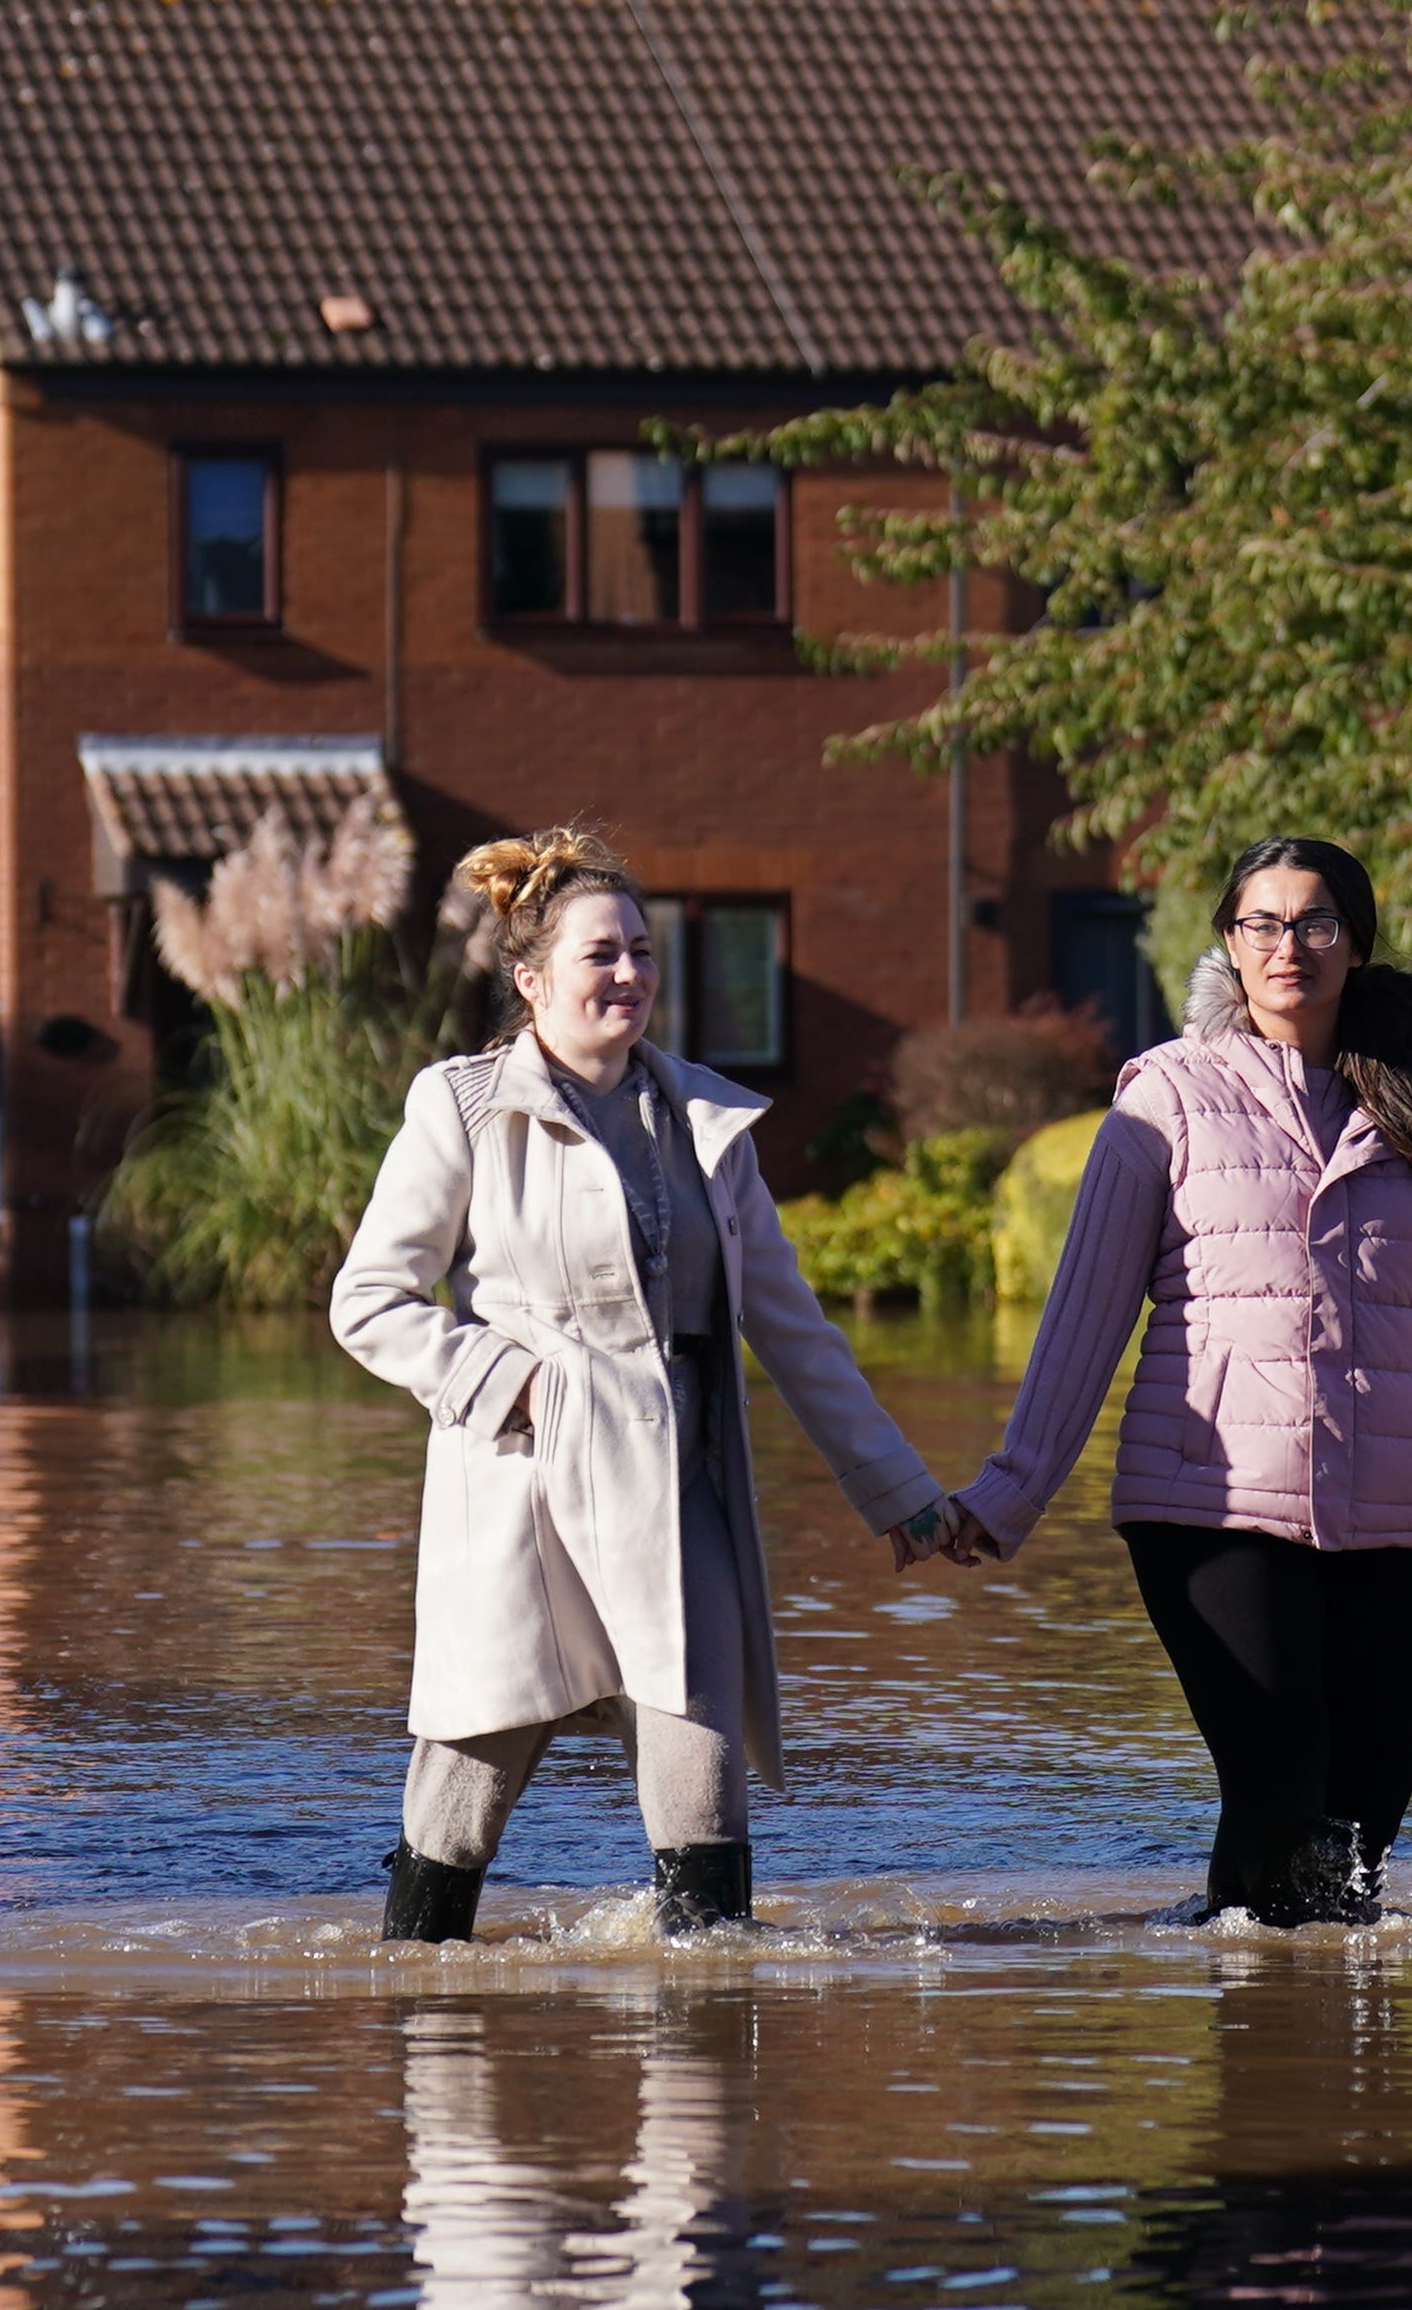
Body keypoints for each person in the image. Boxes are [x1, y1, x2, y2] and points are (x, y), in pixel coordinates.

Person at [333, 823, 961, 1941]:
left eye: (641, 950)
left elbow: (794, 1329)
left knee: (702, 1786)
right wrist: (512, 1383)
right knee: (463, 1790)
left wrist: (899, 1491)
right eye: (598, 953)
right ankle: (421, 2022)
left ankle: (705, 2074)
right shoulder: (461, 1106)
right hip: (520, 1490)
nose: (627, 973)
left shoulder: (710, 1122)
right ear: (529, 980)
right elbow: (367, 1300)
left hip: (679, 1492)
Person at [941, 837, 1412, 1926]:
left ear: (1354, 944)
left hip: (1392, 1514)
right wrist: (1010, 1490)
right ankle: (1254, 2049)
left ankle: (1338, 2072)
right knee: (1277, 1786)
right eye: (1259, 922)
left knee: (1363, 1822)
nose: (1286, 946)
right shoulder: (1164, 1098)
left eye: (1313, 922)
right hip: (1209, 1504)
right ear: (1226, 941)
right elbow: (1085, 1315)